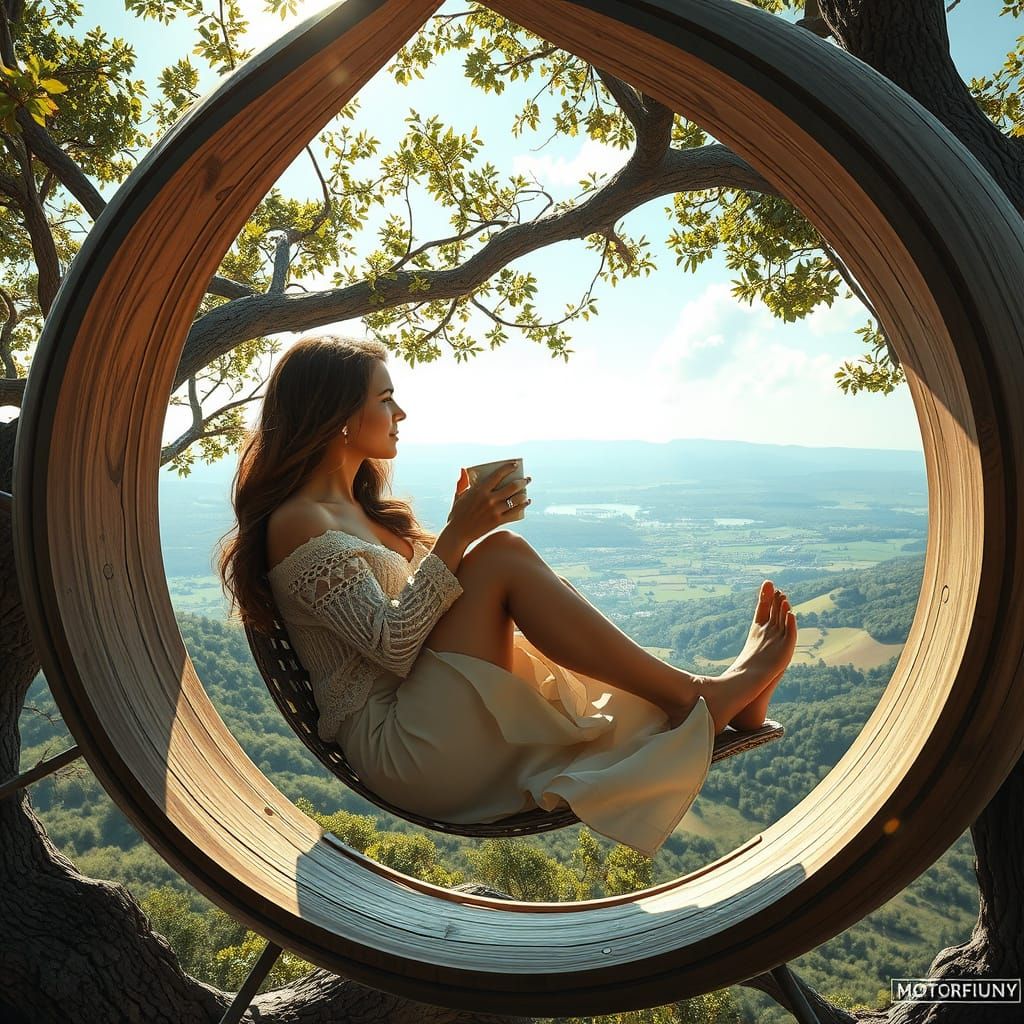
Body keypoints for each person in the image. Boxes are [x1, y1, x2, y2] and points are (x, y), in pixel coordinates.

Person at [218, 334, 797, 858]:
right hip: (404, 746)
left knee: (506, 562)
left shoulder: (364, 511)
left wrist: (459, 530)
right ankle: (695, 698)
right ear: (339, 416)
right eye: (386, 399)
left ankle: (713, 699)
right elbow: (392, 647)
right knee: (501, 556)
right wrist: (459, 534)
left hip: (437, 713)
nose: (401, 413)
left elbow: (436, 606)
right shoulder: (300, 521)